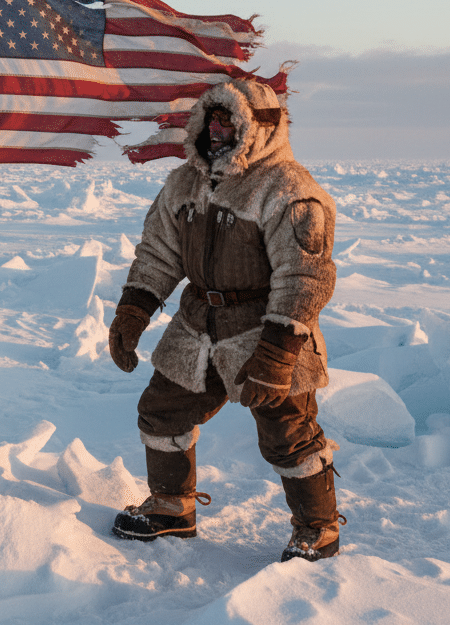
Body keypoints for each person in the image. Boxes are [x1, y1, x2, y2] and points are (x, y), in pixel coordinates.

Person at [107, 77, 343, 562]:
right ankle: (173, 507)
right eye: (211, 118)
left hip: (267, 327)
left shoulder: (289, 190)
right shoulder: (183, 183)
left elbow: (304, 277)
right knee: (163, 409)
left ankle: (317, 528)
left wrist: (277, 355)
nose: (216, 129)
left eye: (227, 119)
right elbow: (158, 254)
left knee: (288, 431)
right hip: (197, 324)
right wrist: (133, 312)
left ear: (258, 128)